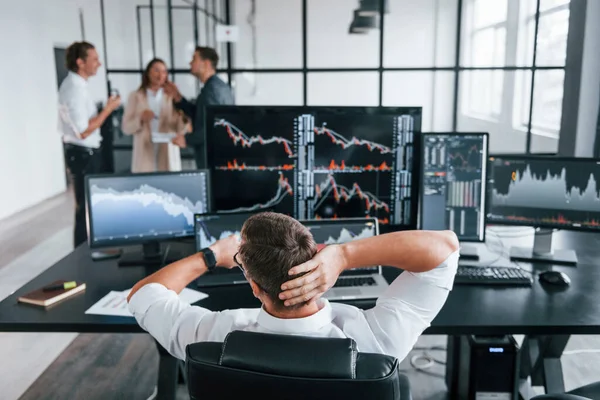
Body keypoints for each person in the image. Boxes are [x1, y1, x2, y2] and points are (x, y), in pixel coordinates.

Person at [128, 212, 459, 362]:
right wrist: (345, 254)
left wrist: (210, 257)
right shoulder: (378, 341)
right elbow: (445, 249)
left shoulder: (213, 336)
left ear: (254, 286)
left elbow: (143, 295)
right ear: (317, 258)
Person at [58, 41, 121, 247]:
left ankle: (90, 251)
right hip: (82, 153)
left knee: (89, 206)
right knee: (84, 207)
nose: (99, 64)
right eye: (94, 59)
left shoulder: (80, 86)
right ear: (80, 62)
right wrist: (108, 109)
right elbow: (83, 131)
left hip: (87, 152)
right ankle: (82, 255)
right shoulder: (73, 88)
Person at [163, 46, 234, 169]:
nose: (190, 63)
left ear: (206, 64)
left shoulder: (213, 90)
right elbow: (201, 115)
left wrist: (187, 139)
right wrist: (178, 98)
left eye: (194, 59)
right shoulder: (215, 86)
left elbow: (214, 126)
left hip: (213, 157)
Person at [121, 58, 188, 172]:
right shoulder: (135, 96)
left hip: (167, 149)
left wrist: (182, 114)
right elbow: (126, 128)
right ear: (148, 73)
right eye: (156, 70)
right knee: (146, 186)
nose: (160, 75)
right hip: (145, 151)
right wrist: (140, 119)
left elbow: (181, 127)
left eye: (164, 71)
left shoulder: (171, 96)